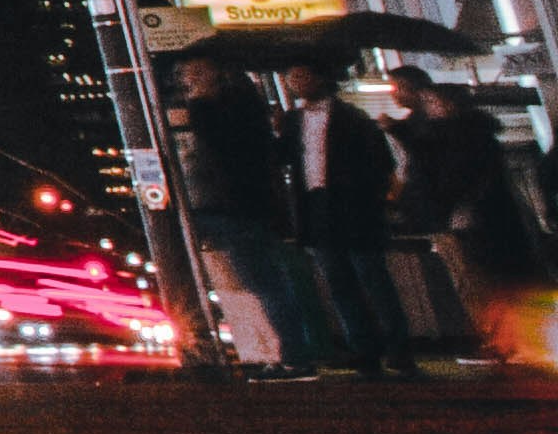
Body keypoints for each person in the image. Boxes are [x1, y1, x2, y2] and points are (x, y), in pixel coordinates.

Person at [172, 58, 328, 376]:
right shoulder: (246, 112)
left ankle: (290, 354)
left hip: (231, 208)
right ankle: (282, 351)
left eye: (193, 72)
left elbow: (217, 146)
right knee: (259, 281)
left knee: (261, 282)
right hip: (241, 207)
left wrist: (198, 103)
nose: (186, 79)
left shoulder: (220, 113)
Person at [398, 75, 547, 365]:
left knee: (480, 281)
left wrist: (454, 208)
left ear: (450, 104)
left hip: (470, 220)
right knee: (488, 280)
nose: (426, 106)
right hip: (480, 219)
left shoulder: (456, 139)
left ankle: (501, 341)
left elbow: (453, 179)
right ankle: (507, 339)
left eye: (432, 101)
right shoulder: (465, 135)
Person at [285, 62, 414, 377]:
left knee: (372, 280)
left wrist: (364, 193)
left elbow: (379, 163)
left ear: (320, 78)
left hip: (352, 208)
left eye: (302, 74)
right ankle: (365, 351)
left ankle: (397, 349)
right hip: (318, 206)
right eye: (292, 77)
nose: (295, 82)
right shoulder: (293, 121)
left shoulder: (352, 119)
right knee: (340, 282)